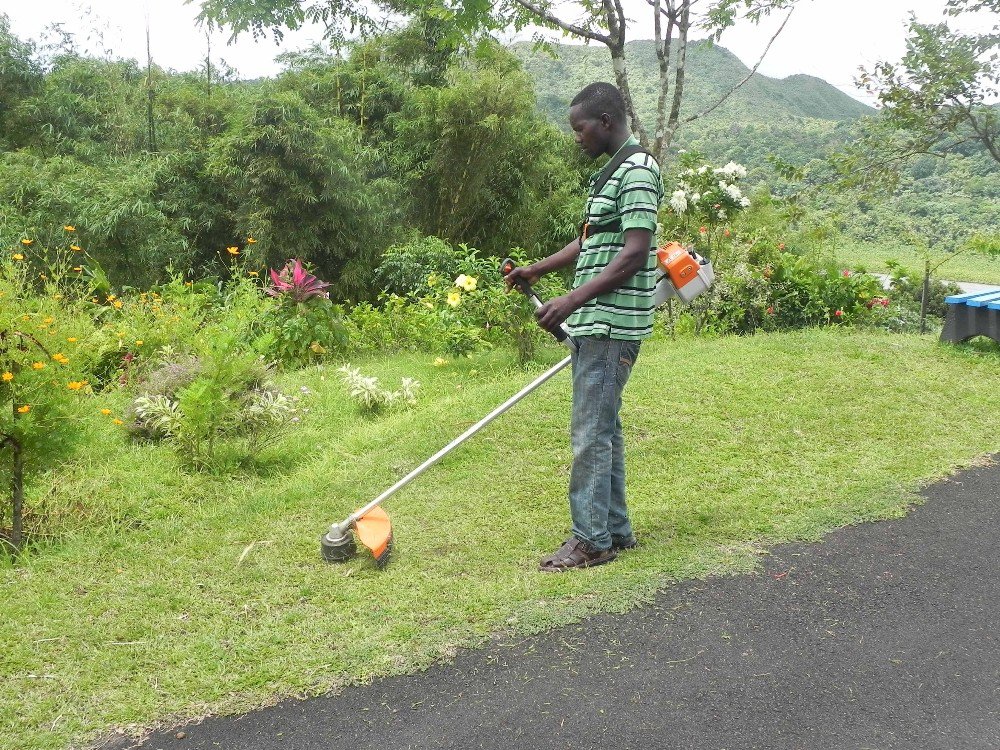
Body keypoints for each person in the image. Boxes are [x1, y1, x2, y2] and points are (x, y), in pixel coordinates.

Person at [504, 81, 664, 572]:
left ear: (607, 123)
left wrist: (570, 300)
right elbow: (590, 244)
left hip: (611, 324)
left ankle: (590, 541)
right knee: (604, 430)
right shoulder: (610, 175)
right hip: (599, 322)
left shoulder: (637, 171)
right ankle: (614, 530)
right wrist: (537, 270)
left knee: (590, 434)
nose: (576, 136)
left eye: (580, 127)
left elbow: (636, 253)